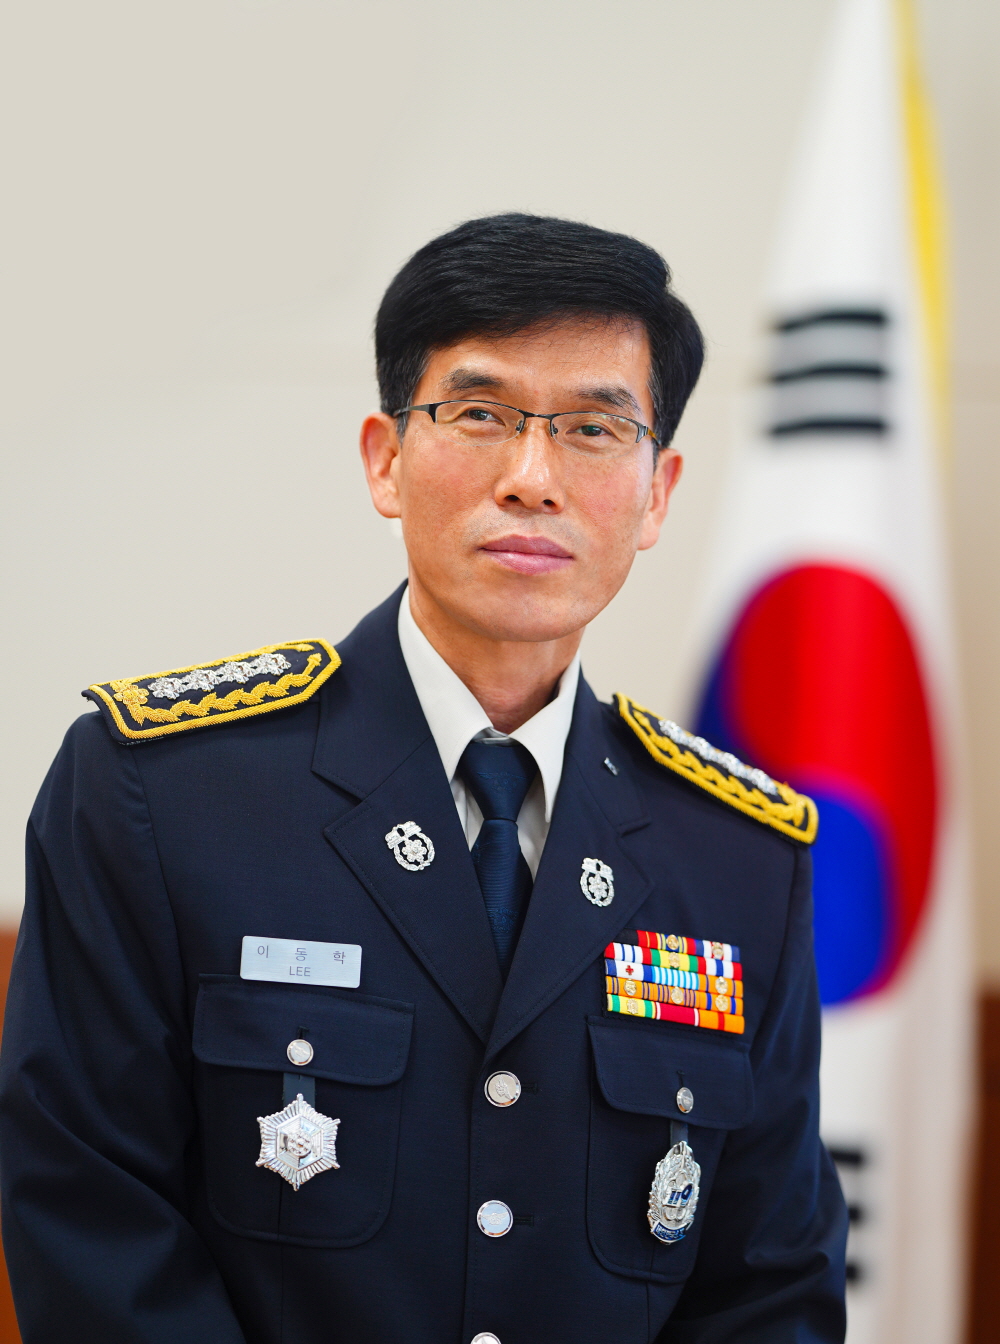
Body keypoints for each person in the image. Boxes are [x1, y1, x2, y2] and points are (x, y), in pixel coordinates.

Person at [0, 214, 847, 1343]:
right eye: (481, 414)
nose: (532, 480)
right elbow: (93, 1226)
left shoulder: (737, 855)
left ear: (657, 494)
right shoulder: (161, 794)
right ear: (385, 459)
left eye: (595, 429)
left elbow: (770, 1284)